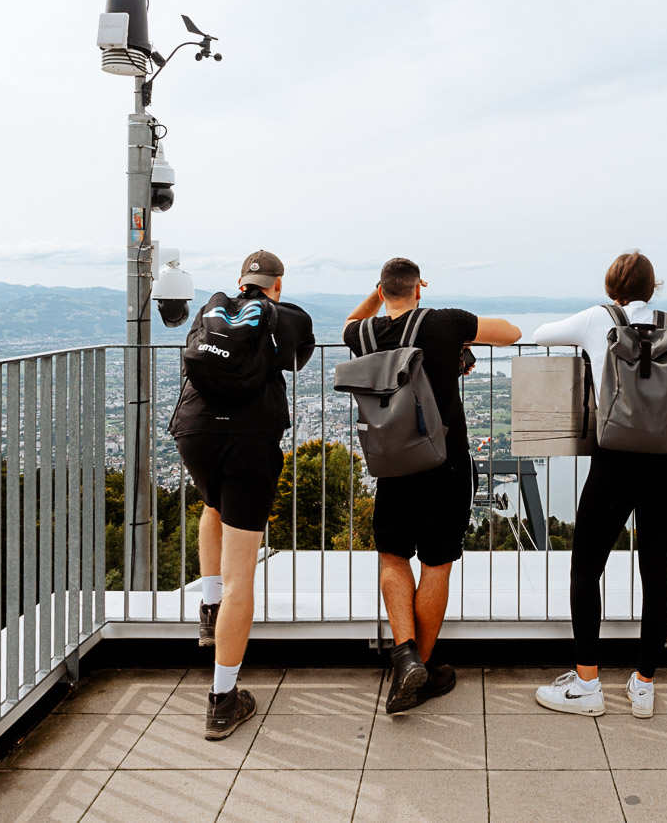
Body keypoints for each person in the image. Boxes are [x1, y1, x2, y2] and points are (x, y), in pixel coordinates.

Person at [530, 250, 667, 718]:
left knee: (587, 568)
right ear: (653, 287)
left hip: (615, 460)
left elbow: (540, 335)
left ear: (610, 288)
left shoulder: (596, 320)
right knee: (656, 571)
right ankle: (643, 686)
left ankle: (587, 683)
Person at [343, 258, 521, 712]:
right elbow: (512, 333)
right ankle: (420, 665)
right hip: (445, 462)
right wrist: (459, 339)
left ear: (382, 291)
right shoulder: (445, 324)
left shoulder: (362, 335)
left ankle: (403, 656)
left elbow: (352, 320)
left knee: (392, 555)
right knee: (436, 564)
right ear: (418, 289)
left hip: (393, 464)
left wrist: (377, 294)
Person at [168, 250, 315, 739]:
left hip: (194, 436)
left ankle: (209, 609)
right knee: (242, 579)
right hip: (249, 441)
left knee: (213, 505)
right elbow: (298, 356)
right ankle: (223, 698)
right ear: (277, 285)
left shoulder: (213, 313)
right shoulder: (282, 317)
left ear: (240, 282)